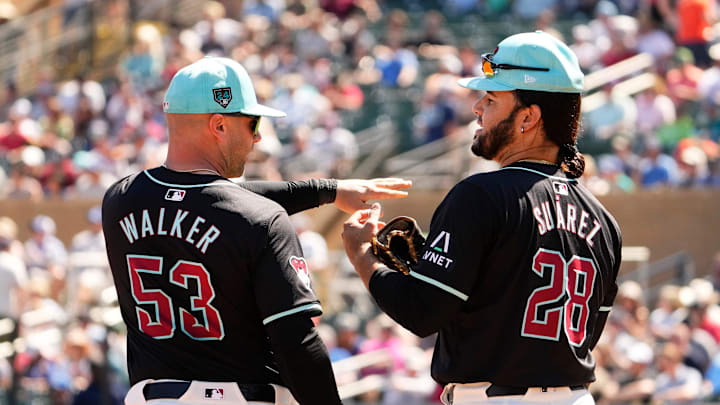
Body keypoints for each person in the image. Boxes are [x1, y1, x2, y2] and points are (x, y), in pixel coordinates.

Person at [103, 56, 411, 405]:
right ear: (219, 125)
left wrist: (330, 190)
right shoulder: (263, 219)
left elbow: (210, 199)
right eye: (252, 122)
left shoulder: (118, 200)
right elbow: (297, 342)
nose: (259, 136)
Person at [342, 31, 622, 405]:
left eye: (490, 98)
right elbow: (587, 334)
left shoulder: (480, 196)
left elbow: (421, 313)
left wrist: (363, 255)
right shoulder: (604, 220)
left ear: (528, 117)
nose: (476, 107)